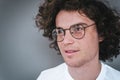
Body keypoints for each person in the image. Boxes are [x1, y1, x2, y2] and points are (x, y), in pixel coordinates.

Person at [35, 0, 120, 80]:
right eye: (60, 31)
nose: (66, 41)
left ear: (101, 33)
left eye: (78, 29)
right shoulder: (46, 78)